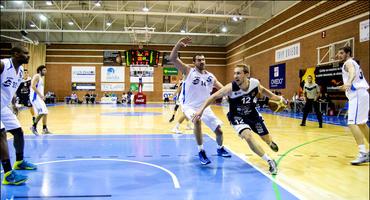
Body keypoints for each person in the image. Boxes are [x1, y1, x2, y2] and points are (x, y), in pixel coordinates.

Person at [193, 64, 282, 174]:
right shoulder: (230, 87)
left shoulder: (254, 83)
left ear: (246, 74)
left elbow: (264, 91)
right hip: (237, 116)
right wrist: (200, 110)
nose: (235, 76)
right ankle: (269, 161)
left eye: (238, 73)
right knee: (248, 136)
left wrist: (279, 98)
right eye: (234, 73)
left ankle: (269, 142)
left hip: (253, 114)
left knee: (267, 139)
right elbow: (213, 97)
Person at [169, 37, 231, 165]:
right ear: (194, 62)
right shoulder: (188, 71)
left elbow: (224, 89)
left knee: (219, 131)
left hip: (204, 106)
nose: (202, 61)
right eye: (199, 60)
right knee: (196, 121)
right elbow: (173, 58)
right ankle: (201, 151)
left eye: (203, 59)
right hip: (189, 106)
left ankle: (220, 148)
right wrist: (178, 45)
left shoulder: (210, 76)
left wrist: (235, 94)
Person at [1, 46, 37, 185]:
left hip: (3, 106)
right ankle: (8, 175)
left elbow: (11, 89)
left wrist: (14, 104)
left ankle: (19, 162)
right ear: (15, 54)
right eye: (25, 53)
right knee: (1, 134)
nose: (28, 56)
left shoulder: (21, 70)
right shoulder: (3, 65)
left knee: (18, 131)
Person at [337, 46, 369, 165]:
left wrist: (349, 82)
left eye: (341, 53)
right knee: (361, 124)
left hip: (357, 94)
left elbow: (352, 72)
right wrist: (346, 85)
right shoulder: (354, 62)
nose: (339, 55)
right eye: (338, 53)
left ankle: (362, 153)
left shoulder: (349, 62)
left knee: (352, 123)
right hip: (362, 93)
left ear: (348, 53)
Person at [30, 65, 52, 135]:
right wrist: (40, 95)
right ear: (40, 71)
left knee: (45, 112)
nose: (46, 72)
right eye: (44, 70)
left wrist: (43, 96)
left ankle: (44, 129)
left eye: (46, 70)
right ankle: (33, 126)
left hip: (39, 98)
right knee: (42, 112)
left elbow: (39, 88)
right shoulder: (36, 76)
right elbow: (33, 86)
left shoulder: (41, 78)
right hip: (35, 97)